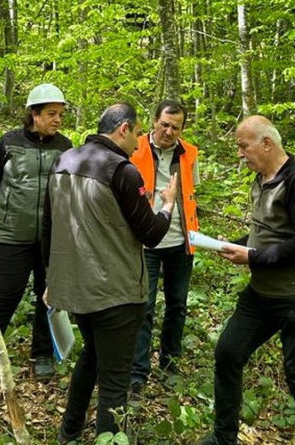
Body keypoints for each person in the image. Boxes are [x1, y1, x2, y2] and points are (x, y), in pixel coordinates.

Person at [42, 103, 178, 442]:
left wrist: (50, 276)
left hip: (77, 288)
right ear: (123, 129)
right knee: (115, 384)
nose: (137, 142)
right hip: (116, 293)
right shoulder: (123, 170)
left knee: (91, 355)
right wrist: (168, 204)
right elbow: (151, 234)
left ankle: (68, 433)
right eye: (136, 134)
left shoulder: (64, 160)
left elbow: (48, 225)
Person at [200, 116, 295, 445]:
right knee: (228, 352)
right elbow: (267, 233)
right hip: (262, 294)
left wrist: (253, 256)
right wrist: (238, 244)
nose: (240, 154)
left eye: (244, 146)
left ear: (267, 144)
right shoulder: (260, 179)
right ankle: (224, 437)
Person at [0, 83, 72, 391]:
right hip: (13, 236)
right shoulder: (8, 143)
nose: (57, 120)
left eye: (60, 114)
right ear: (33, 114)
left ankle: (42, 356)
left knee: (48, 296)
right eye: (51, 114)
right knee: (2, 299)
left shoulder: (65, 148)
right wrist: (10, 209)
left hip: (51, 239)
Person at [129, 100, 199, 393]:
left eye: (176, 127)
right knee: (144, 307)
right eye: (164, 124)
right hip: (146, 241)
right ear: (154, 122)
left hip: (180, 241)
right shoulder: (135, 148)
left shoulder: (190, 153)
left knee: (177, 306)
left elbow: (192, 192)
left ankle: (170, 363)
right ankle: (138, 372)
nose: (169, 131)